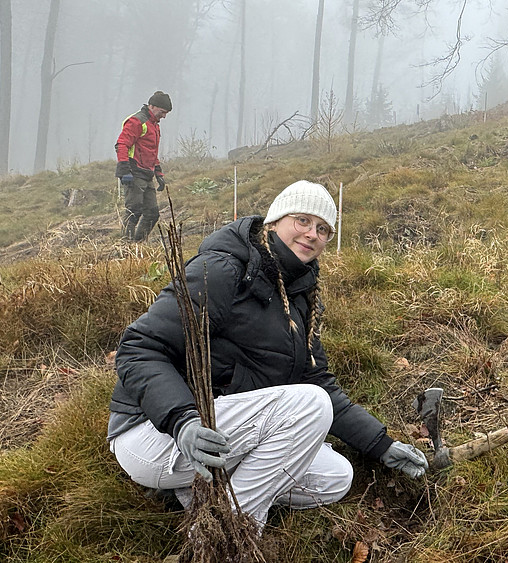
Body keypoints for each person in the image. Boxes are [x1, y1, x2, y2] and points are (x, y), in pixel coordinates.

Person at [107, 180, 429, 531]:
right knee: (311, 406)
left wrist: (381, 444)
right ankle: (231, 532)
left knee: (335, 477)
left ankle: (203, 495)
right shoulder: (225, 269)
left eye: (322, 229)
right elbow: (139, 348)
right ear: (275, 221)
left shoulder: (300, 294)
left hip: (223, 431)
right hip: (157, 433)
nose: (312, 234)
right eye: (302, 220)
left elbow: (313, 378)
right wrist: (182, 420)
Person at [115, 91, 172, 241]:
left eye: (166, 113)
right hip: (134, 173)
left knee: (153, 214)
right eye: (162, 112)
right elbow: (121, 145)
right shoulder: (136, 121)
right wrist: (124, 170)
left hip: (147, 174)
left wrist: (158, 173)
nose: (164, 116)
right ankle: (125, 246)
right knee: (134, 211)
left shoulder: (154, 125)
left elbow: (151, 151)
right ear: (152, 106)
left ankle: (136, 244)